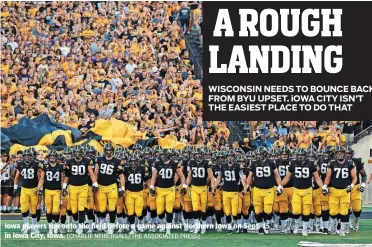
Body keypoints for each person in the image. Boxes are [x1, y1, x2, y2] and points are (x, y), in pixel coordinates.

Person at [279, 148, 324, 236]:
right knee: (295, 210)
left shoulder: (311, 163)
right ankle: (296, 225)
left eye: (302, 155)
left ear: (305, 156)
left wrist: (323, 187)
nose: (300, 157)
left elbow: (317, 177)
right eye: (299, 155)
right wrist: (281, 185)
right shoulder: (293, 163)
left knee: (306, 210)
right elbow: (287, 177)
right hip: (296, 189)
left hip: (307, 190)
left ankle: (304, 229)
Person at [150, 149, 187, 234]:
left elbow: (181, 176)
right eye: (162, 154)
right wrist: (151, 187)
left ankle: (168, 228)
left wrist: (184, 186)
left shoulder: (174, 164)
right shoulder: (157, 163)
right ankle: (163, 224)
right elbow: (153, 177)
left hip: (170, 189)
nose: (162, 156)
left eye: (164, 155)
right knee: (159, 211)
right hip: (159, 189)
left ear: (169, 155)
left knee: (169, 209)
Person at [246, 146, 282, 235]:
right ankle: (260, 227)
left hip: (269, 189)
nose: (258, 156)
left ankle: (267, 225)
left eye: (260, 154)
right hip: (257, 189)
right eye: (257, 155)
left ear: (265, 154)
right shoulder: (254, 163)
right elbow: (250, 176)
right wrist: (247, 185)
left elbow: (276, 175)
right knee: (257, 210)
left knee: (268, 210)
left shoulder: (270, 162)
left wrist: (280, 185)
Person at [323, 145, 357, 236]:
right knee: (333, 212)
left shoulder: (350, 163)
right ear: (335, 154)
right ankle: (334, 227)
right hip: (334, 190)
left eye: (341, 153)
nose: (340, 154)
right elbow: (328, 177)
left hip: (345, 191)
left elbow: (354, 177)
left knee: (344, 211)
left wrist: (352, 185)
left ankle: (342, 229)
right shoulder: (332, 163)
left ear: (345, 154)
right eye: (338, 153)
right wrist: (325, 186)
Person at [63, 145, 95, 234]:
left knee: (85, 207)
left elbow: (92, 174)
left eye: (79, 152)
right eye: (76, 152)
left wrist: (95, 184)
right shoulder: (69, 162)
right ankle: (78, 225)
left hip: (85, 186)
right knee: (73, 210)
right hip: (73, 187)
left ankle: (83, 227)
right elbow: (67, 175)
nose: (77, 154)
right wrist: (64, 186)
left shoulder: (88, 161)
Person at [214, 150, 247, 233]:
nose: (229, 157)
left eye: (231, 156)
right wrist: (214, 187)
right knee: (227, 211)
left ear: (234, 157)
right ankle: (229, 227)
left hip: (235, 191)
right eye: (228, 156)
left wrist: (245, 187)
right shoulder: (223, 166)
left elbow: (242, 178)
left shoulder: (237, 166)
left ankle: (234, 224)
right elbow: (219, 178)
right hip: (225, 191)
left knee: (235, 212)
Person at [95, 143, 124, 234]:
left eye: (110, 150)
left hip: (112, 187)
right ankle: (104, 224)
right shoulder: (99, 160)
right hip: (101, 187)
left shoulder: (117, 161)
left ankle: (111, 227)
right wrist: (95, 184)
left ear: (112, 151)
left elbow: (122, 176)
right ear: (104, 151)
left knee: (112, 207)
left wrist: (122, 187)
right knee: (102, 209)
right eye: (107, 150)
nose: (108, 152)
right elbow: (96, 173)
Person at [13, 148, 44, 233]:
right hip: (24, 189)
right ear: (23, 156)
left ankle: (35, 227)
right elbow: (16, 177)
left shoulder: (37, 164)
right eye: (25, 156)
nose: (27, 157)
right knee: (24, 208)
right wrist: (15, 188)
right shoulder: (19, 164)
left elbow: (41, 177)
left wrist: (39, 188)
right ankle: (26, 225)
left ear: (32, 156)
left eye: (28, 155)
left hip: (34, 189)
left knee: (34, 209)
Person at [186, 148, 214, 234]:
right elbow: (189, 176)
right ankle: (197, 226)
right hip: (194, 187)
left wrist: (209, 184)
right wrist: (186, 186)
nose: (197, 156)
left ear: (202, 155)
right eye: (195, 154)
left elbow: (210, 176)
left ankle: (204, 227)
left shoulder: (206, 162)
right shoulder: (191, 162)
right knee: (195, 207)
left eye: (198, 154)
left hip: (203, 188)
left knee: (203, 208)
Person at [39, 150, 64, 234]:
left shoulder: (60, 166)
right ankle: (50, 227)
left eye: (54, 156)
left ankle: (56, 226)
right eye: (51, 156)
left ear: (56, 157)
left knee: (56, 210)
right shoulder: (45, 166)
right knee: (48, 210)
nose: (52, 157)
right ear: (48, 157)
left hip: (57, 190)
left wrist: (63, 189)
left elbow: (62, 179)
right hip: (47, 190)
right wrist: (39, 188)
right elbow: (42, 179)